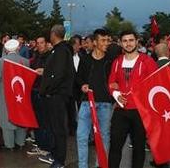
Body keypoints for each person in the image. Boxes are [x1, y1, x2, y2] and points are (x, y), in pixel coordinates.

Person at [108, 30, 158, 168]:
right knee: (115, 147)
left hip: (140, 112)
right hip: (121, 111)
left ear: (137, 41)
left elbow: (155, 85)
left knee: (138, 149)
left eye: (131, 40)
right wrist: (116, 94)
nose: (128, 44)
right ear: (120, 43)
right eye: (125, 41)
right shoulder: (117, 62)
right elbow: (111, 83)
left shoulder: (147, 61)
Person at [76, 29, 115, 168]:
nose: (106, 43)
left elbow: (115, 80)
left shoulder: (111, 60)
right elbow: (78, 77)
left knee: (104, 137)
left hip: (105, 104)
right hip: (87, 103)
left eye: (108, 40)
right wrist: (82, 85)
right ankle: (82, 166)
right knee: (81, 136)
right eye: (103, 40)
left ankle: (101, 165)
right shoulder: (85, 59)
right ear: (95, 42)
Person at [38, 25, 74, 168]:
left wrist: (47, 89)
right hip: (55, 94)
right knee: (53, 126)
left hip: (57, 95)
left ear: (54, 34)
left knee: (58, 128)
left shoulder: (61, 51)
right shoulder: (58, 50)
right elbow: (54, 71)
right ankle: (54, 154)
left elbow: (58, 75)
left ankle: (60, 160)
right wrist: (45, 71)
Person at [0, 39, 29, 151]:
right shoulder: (25, 61)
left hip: (6, 95)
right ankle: (20, 142)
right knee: (21, 115)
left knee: (6, 117)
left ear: (6, 49)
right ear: (18, 48)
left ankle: (9, 145)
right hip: (21, 94)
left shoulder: (1, 61)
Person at [27, 35, 52, 159]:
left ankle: (46, 148)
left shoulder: (50, 57)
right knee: (37, 120)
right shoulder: (36, 57)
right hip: (35, 91)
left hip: (44, 93)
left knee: (45, 121)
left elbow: (54, 74)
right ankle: (40, 145)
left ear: (46, 43)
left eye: (42, 42)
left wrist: (45, 71)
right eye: (38, 43)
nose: (40, 45)